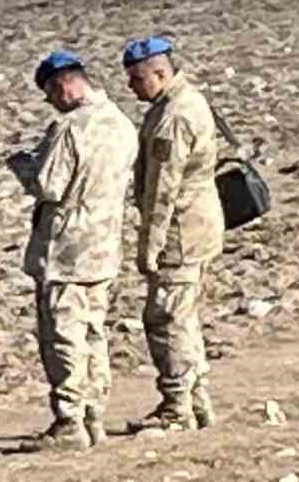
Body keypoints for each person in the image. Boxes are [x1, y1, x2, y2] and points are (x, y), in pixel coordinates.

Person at [7, 50, 139, 450]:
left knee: (64, 335)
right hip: (104, 246)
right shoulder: (121, 123)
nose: (50, 102)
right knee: (94, 333)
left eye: (50, 93)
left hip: (67, 249)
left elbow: (49, 185)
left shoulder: (70, 128)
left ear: (63, 85)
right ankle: (94, 415)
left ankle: (69, 421)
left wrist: (22, 166)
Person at [122, 35, 224, 432]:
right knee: (183, 316)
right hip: (198, 225)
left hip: (181, 232)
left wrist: (149, 247)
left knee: (166, 318)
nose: (132, 87)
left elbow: (162, 192)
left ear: (160, 73)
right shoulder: (184, 101)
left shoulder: (173, 117)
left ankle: (177, 406)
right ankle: (196, 402)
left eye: (137, 78)